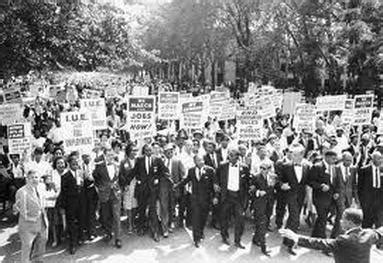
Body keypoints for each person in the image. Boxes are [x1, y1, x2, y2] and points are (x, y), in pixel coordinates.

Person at [280, 208, 383, 263]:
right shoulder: (369, 234)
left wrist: (296, 237)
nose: (340, 221)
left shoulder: (344, 240)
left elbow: (320, 243)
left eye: (343, 219)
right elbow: (380, 232)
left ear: (350, 222)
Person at [176, 154, 215, 247]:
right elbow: (185, 180)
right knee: (196, 218)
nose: (201, 162)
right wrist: (176, 186)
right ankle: (196, 238)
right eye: (198, 160)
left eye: (202, 160)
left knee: (203, 218)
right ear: (195, 162)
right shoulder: (191, 171)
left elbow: (214, 185)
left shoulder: (210, 170)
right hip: (195, 199)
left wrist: (215, 197)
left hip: (206, 200)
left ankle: (201, 232)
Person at [214, 147, 250, 249]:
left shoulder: (244, 167)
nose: (231, 158)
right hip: (226, 196)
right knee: (224, 218)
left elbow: (248, 182)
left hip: (238, 197)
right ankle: (224, 236)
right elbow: (216, 177)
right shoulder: (222, 166)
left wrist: (247, 196)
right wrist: (216, 184)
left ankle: (238, 240)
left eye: (234, 156)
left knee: (240, 219)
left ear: (238, 157)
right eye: (230, 156)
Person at [278, 144, 310, 255]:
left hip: (301, 196)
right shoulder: (286, 166)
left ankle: (286, 239)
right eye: (293, 155)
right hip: (290, 195)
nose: (294, 157)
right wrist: (282, 185)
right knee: (295, 219)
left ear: (302, 155)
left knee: (292, 218)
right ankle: (291, 245)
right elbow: (279, 180)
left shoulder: (307, 166)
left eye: (296, 155)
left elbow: (308, 181)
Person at [133, 144, 167, 242]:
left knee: (153, 210)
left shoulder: (157, 159)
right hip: (142, 189)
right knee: (141, 209)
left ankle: (155, 232)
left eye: (150, 150)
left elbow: (163, 171)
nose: (148, 152)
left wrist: (157, 178)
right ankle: (141, 227)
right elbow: (135, 172)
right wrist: (127, 182)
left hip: (153, 189)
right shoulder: (139, 160)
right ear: (144, 151)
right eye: (146, 150)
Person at [14, 170, 48, 263]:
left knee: (42, 242)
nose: (34, 179)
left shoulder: (41, 188)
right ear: (27, 179)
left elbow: (43, 203)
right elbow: (18, 209)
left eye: (36, 177)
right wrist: (17, 210)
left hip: (42, 221)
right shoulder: (21, 192)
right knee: (27, 247)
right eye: (32, 177)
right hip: (28, 224)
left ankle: (38, 260)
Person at [309, 150, 343, 239]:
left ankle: (314, 236)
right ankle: (323, 241)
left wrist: (336, 192)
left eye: (335, 159)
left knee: (321, 218)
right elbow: (310, 181)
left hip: (331, 198)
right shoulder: (317, 167)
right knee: (323, 218)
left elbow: (337, 182)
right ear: (326, 157)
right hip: (320, 198)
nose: (335, 160)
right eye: (333, 158)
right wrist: (320, 186)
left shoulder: (335, 168)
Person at [93, 147, 122, 248]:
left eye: (112, 155)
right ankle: (108, 233)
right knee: (106, 217)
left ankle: (118, 238)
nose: (111, 157)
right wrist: (101, 188)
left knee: (117, 216)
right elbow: (95, 179)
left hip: (116, 194)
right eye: (108, 155)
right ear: (104, 155)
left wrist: (120, 188)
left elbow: (120, 178)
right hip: (104, 195)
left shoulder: (117, 165)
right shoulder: (99, 166)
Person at [59, 154, 85, 254]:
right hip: (70, 204)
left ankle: (80, 238)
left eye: (76, 163)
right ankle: (72, 244)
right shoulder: (65, 176)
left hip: (81, 202)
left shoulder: (81, 173)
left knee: (81, 220)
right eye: (73, 163)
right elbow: (63, 192)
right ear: (69, 164)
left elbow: (84, 188)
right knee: (71, 224)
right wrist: (63, 206)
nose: (75, 165)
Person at [249, 160, 276, 256]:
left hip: (269, 203)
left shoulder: (272, 177)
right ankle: (264, 247)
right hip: (259, 204)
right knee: (262, 224)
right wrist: (258, 192)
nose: (263, 170)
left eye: (266, 168)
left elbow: (274, 190)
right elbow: (251, 189)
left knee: (265, 222)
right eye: (262, 168)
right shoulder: (255, 177)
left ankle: (256, 239)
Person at [358, 151, 383, 228]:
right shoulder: (364, 170)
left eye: (381, 158)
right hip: (367, 200)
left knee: (379, 221)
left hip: (379, 199)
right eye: (379, 158)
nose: (381, 160)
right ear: (373, 159)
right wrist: (362, 200)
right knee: (367, 221)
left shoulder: (382, 170)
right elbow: (360, 187)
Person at [119, 143, 138, 233]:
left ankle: (133, 222)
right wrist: (124, 185)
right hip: (128, 186)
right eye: (133, 150)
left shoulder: (138, 160)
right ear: (128, 152)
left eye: (136, 150)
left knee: (135, 205)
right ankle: (130, 224)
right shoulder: (123, 162)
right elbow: (121, 175)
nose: (135, 152)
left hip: (137, 185)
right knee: (128, 206)